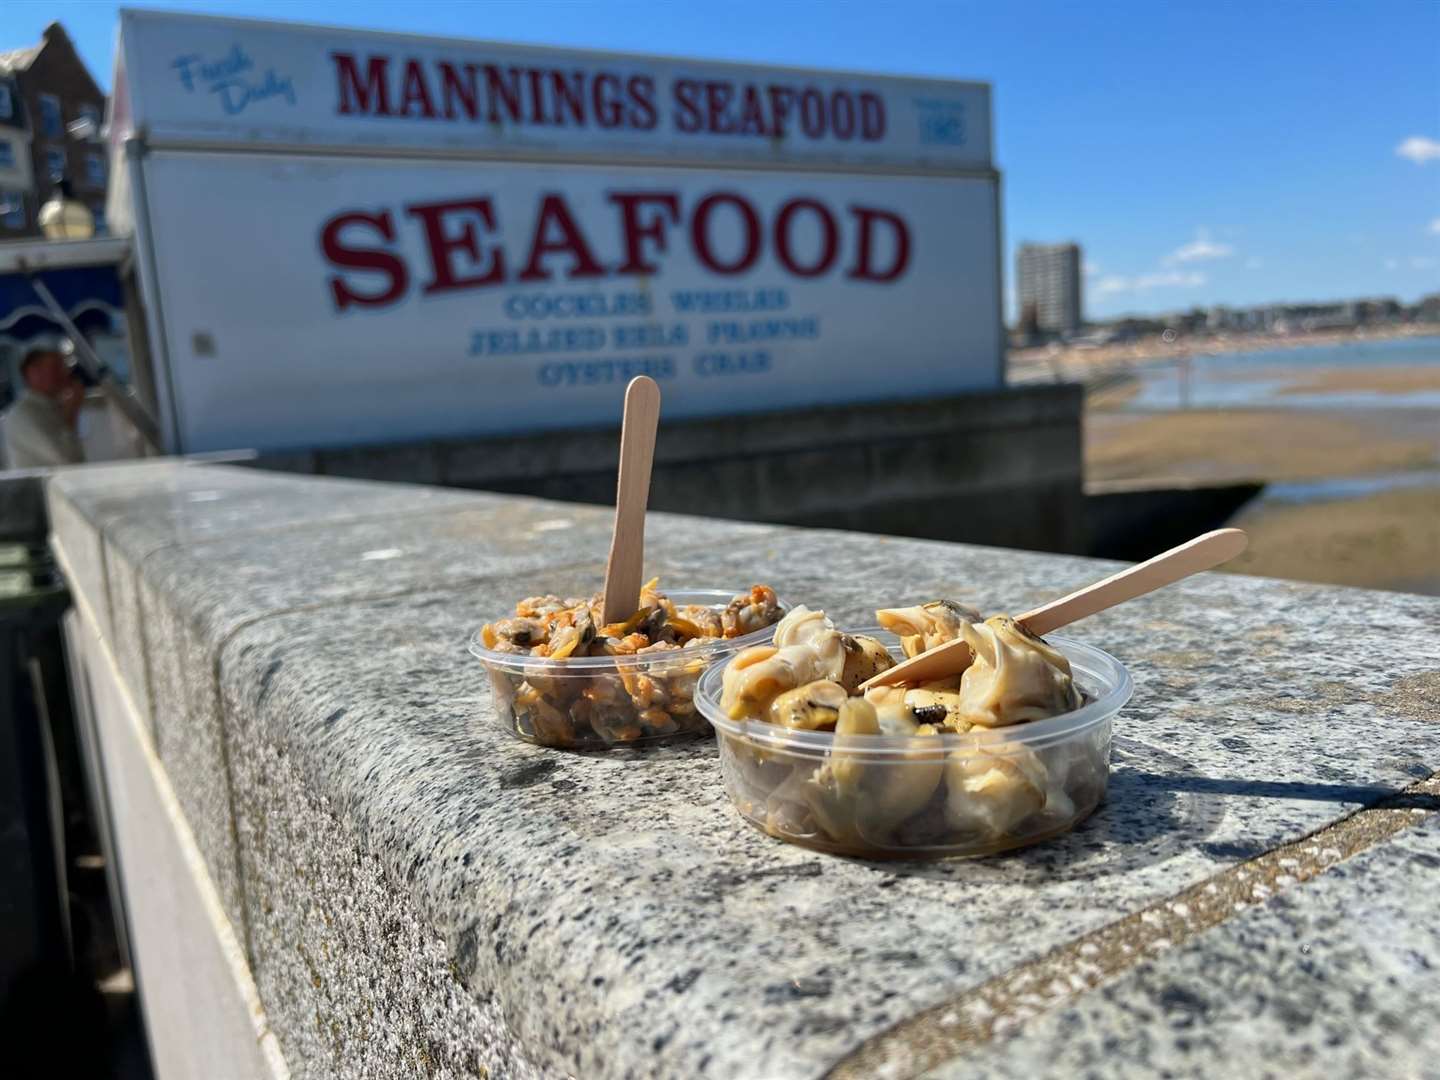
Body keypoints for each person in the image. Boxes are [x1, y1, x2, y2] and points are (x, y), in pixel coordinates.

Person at [3, 346, 86, 469]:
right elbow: (68, 459)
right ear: (34, 373)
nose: (65, 373)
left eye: (64, 366)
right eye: (56, 368)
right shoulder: (24, 413)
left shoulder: (51, 407)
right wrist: (72, 413)